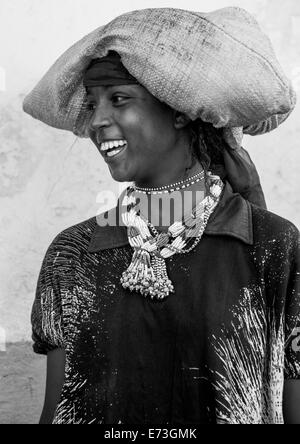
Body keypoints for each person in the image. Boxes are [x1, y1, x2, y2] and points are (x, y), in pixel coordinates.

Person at [24, 7, 300, 424]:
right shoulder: (73, 255)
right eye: (94, 103)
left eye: (118, 99)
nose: (97, 121)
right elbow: (56, 413)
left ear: (180, 110)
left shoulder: (274, 248)